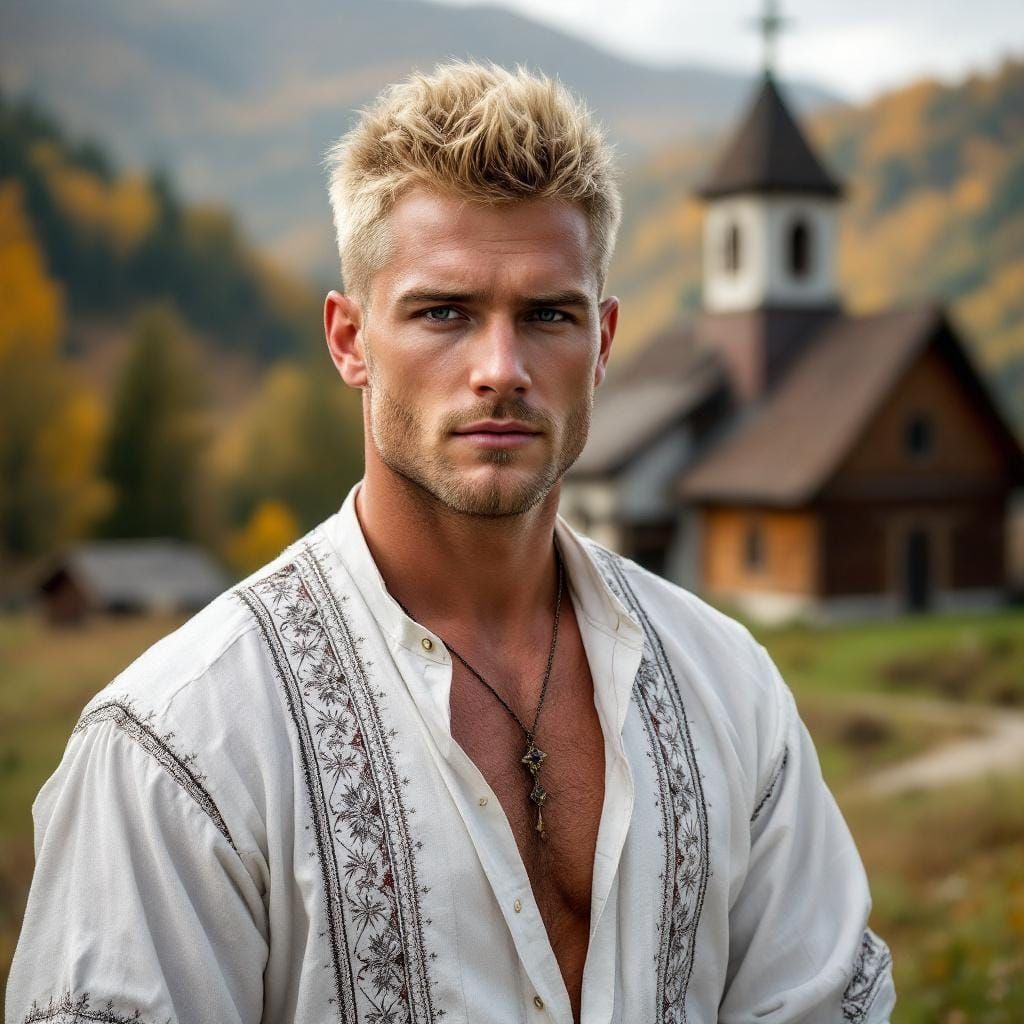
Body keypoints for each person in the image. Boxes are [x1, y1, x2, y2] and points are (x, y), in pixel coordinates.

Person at [6, 60, 895, 1024]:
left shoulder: (729, 689)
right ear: (350, 340)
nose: (500, 370)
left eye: (547, 315)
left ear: (601, 345)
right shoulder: (182, 743)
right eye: (444, 313)